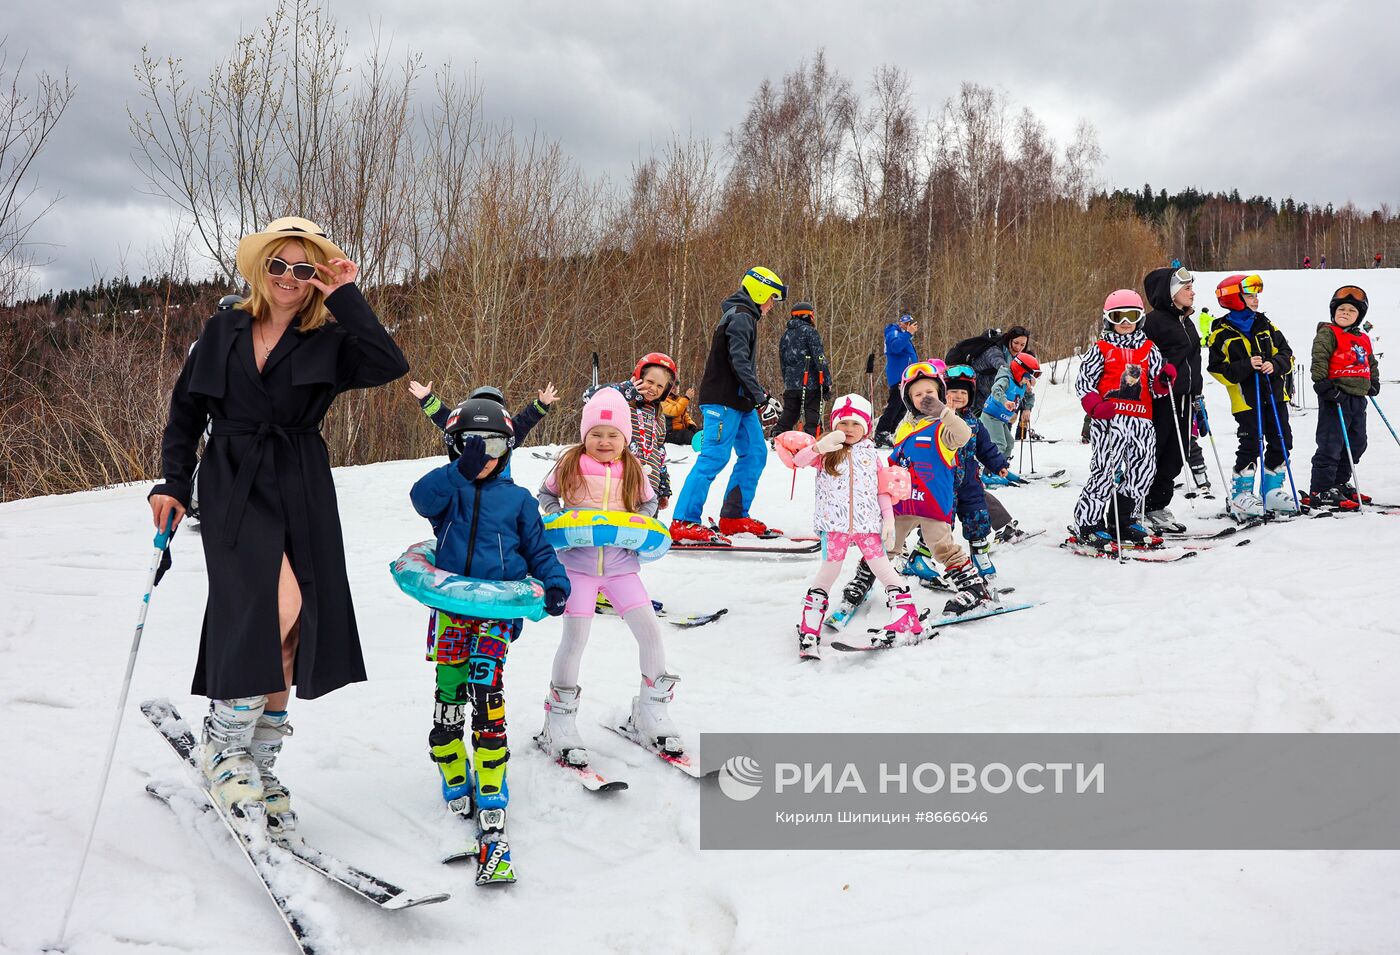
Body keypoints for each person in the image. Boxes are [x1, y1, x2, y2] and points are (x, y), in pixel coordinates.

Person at [148, 216, 409, 826]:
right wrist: (173, 483)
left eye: (303, 268)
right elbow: (186, 414)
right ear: (260, 270)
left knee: (296, 626)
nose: (289, 278)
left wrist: (344, 292)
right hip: (235, 481)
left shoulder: (330, 340)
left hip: (301, 481)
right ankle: (223, 744)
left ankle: (258, 763)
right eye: (279, 266)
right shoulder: (223, 330)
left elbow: (388, 362)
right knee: (274, 607)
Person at [408, 399, 569, 817]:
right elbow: (421, 498)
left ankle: (491, 765)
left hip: (496, 614)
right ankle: (449, 760)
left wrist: (555, 582)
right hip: (451, 611)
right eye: (471, 447)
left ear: (508, 451)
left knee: (486, 688)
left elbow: (539, 549)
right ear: (455, 449)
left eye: (493, 447)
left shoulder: (517, 500)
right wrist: (458, 472)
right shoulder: (449, 497)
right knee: (449, 687)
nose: (482, 458)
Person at [537, 389, 679, 760]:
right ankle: (559, 722)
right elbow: (546, 495)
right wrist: (558, 519)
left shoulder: (632, 468)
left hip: (621, 568)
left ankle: (650, 711)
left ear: (625, 438)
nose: (604, 441)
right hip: (578, 569)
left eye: (613, 434)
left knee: (650, 631)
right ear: (585, 435)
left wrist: (642, 523)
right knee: (575, 639)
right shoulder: (569, 464)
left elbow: (649, 501)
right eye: (596, 433)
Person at [791, 394, 919, 656]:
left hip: (868, 526)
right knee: (828, 572)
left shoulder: (872, 456)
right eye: (843, 423)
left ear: (866, 428)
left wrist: (889, 519)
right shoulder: (825, 452)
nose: (849, 429)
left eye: (855, 424)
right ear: (835, 425)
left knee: (883, 569)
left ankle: (906, 614)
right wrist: (819, 447)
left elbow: (882, 490)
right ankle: (810, 622)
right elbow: (797, 462)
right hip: (834, 526)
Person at [671, 267, 787, 544]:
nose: (771, 304)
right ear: (758, 291)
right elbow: (739, 362)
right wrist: (760, 397)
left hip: (740, 401)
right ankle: (684, 521)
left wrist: (760, 396)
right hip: (723, 400)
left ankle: (734, 516)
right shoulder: (740, 316)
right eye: (771, 297)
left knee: (756, 453)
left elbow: (741, 365)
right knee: (714, 457)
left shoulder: (745, 317)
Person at [888, 362, 990, 615]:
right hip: (905, 499)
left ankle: (974, 587)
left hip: (932, 500)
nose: (925, 398)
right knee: (887, 541)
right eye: (918, 394)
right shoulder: (905, 427)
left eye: (930, 393)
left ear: (940, 396)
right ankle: (864, 580)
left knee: (940, 545)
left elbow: (964, 434)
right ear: (909, 400)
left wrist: (944, 412)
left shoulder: (944, 426)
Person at [1073, 289, 1169, 546]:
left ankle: (1123, 519)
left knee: (1143, 470)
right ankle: (1089, 522)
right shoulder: (1102, 348)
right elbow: (1084, 383)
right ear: (1108, 319)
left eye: (1131, 315)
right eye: (1119, 316)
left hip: (1141, 422)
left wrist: (1163, 381)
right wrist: (1094, 406)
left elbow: (1158, 389)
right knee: (1106, 470)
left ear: (1140, 318)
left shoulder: (1149, 349)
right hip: (1110, 422)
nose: (1125, 321)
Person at [1206, 274, 1296, 516]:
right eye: (1249, 295)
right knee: (1251, 442)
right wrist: (1246, 366)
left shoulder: (1267, 326)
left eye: (1255, 295)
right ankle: (1241, 494)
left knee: (1282, 440)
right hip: (1246, 401)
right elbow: (1216, 369)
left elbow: (1287, 354)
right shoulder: (1221, 334)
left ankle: (1272, 490)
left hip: (1275, 396)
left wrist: (1275, 364)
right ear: (1234, 299)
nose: (1255, 300)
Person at [1141, 266, 1202, 533]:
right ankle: (1138, 505)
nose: (1192, 292)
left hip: (1186, 397)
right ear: (1170, 292)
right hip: (1161, 398)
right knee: (1155, 451)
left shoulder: (1185, 320)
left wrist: (1196, 391)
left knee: (1176, 454)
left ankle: (1157, 505)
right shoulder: (1153, 323)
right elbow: (1140, 359)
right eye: (1186, 288)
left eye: (1191, 287)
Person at [1308, 286, 1379, 507]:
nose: (1345, 313)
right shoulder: (1328, 333)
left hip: (1358, 398)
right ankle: (1321, 489)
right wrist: (1323, 385)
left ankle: (1339, 483)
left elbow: (1370, 362)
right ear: (1333, 312)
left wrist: (1373, 381)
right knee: (1332, 443)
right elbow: (1319, 358)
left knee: (1356, 443)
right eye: (1341, 309)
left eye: (1351, 310)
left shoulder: (1363, 339)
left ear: (1359, 316)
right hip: (1335, 396)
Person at [586, 352, 678, 509]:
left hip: (650, 488)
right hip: (622, 480)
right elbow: (589, 396)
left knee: (644, 528)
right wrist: (626, 389)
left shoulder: (660, 416)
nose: (653, 388)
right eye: (650, 381)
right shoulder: (622, 402)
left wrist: (663, 484)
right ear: (638, 377)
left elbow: (659, 451)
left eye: (660, 386)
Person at [409, 379, 558, 460]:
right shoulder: (462, 424)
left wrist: (541, 405)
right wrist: (427, 399)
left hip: (499, 488)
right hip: (466, 482)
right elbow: (443, 417)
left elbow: (526, 420)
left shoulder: (508, 429)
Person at [776, 301, 831, 435]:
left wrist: (787, 381)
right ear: (807, 316)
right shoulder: (810, 332)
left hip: (791, 384)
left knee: (790, 412)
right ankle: (811, 437)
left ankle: (779, 433)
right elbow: (819, 358)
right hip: (810, 383)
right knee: (812, 412)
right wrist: (826, 382)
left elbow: (782, 361)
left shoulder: (785, 335)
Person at [978, 352, 1041, 461]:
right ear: (1019, 372)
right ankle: (989, 472)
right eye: (1026, 378)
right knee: (1000, 444)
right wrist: (1005, 401)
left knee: (1009, 443)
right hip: (991, 416)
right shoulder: (1006, 379)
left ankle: (1003, 468)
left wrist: (1027, 409)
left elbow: (1030, 396)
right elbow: (996, 389)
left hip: (1001, 419)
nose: (1027, 382)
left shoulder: (1023, 384)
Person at [875, 313, 919, 442]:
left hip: (907, 377)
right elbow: (895, 347)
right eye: (907, 324)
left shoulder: (904, 336)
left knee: (903, 407)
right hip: (898, 376)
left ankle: (891, 432)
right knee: (895, 404)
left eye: (911, 324)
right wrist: (908, 333)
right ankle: (882, 431)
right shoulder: (893, 332)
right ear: (901, 323)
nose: (909, 327)